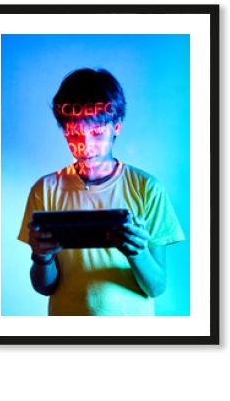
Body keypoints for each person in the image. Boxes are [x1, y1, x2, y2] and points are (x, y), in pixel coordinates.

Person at [18, 68, 185, 316]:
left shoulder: (147, 188)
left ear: (116, 126)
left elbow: (156, 287)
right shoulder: (45, 189)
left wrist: (137, 252)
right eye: (74, 133)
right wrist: (42, 257)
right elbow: (44, 287)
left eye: (97, 133)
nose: (85, 146)